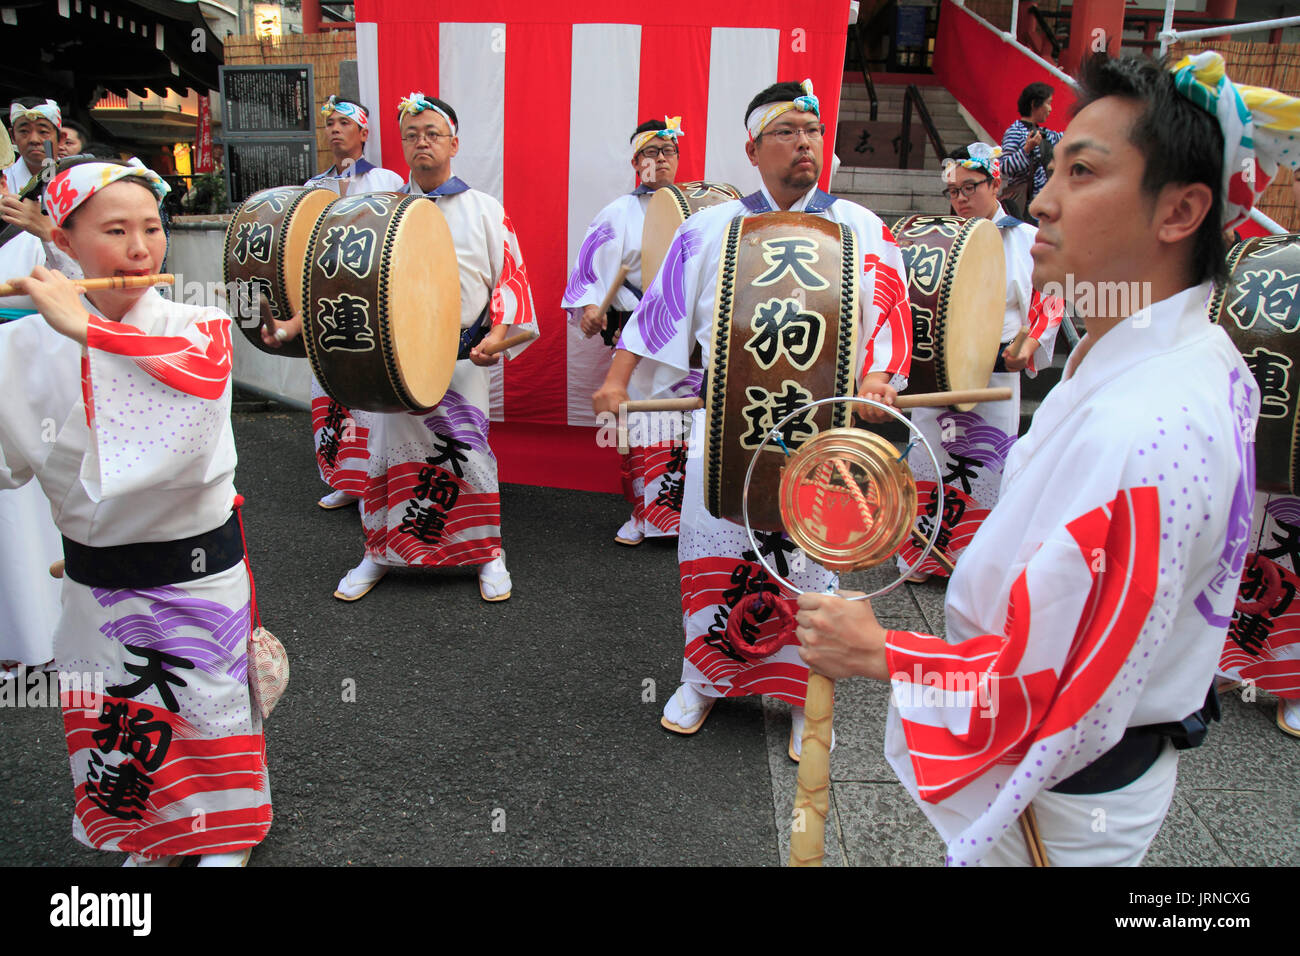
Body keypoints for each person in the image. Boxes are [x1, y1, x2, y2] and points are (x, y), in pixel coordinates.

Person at [795, 51, 1283, 866]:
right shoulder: (1174, 356)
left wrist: (882, 652)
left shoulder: (1148, 423)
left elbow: (1055, 687)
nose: (1043, 200)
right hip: (1105, 762)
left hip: (1067, 791)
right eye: (1051, 168)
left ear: (1180, 211)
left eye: (1084, 173)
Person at [595, 80, 911, 756]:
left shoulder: (858, 227)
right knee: (711, 549)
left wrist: (879, 375)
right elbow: (661, 313)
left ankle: (804, 697)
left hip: (820, 430)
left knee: (810, 570)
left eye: (812, 131)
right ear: (753, 146)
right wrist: (618, 381)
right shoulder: (711, 227)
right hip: (728, 424)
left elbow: (888, 312)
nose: (804, 143)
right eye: (788, 131)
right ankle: (705, 680)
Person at [2, 157, 272, 865]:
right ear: (62, 241)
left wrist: (84, 331)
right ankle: (148, 831)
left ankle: (225, 836)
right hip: (97, 576)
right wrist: (45, 329)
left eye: (152, 228)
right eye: (114, 230)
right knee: (119, 712)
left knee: (207, 706)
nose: (139, 249)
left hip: (193, 569)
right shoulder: (18, 343)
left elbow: (199, 374)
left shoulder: (197, 325)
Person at [267, 92, 538, 603]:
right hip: (393, 365)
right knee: (388, 456)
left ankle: (486, 553)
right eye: (411, 136)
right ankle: (379, 551)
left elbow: (512, 284)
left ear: (454, 143)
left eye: (432, 134)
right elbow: (340, 279)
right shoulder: (384, 211)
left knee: (467, 457)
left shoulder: (484, 209)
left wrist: (497, 340)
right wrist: (290, 328)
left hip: (461, 360)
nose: (422, 144)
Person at [896, 143, 1064, 582]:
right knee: (929, 461)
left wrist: (1027, 346)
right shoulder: (941, 241)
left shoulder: (1025, 238)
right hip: (940, 369)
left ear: (996, 183)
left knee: (983, 467)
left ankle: (971, 564)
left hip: (994, 370)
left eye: (970, 188)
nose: (961, 200)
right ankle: (920, 558)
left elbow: (1051, 296)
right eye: (953, 192)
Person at [563, 116, 695, 545]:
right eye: (651, 152)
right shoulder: (617, 213)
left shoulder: (696, 211)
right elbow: (587, 272)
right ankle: (645, 516)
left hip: (689, 338)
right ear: (636, 161)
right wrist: (588, 308)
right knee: (643, 424)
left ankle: (691, 517)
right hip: (638, 338)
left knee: (689, 426)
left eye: (668, 151)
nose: (661, 159)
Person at [305, 96, 405, 511]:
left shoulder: (387, 180)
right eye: (330, 123)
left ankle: (375, 481)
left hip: (370, 306)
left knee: (369, 394)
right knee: (332, 393)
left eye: (344, 123)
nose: (334, 129)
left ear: (364, 133)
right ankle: (345, 479)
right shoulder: (313, 188)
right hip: (326, 304)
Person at [999, 82, 1061, 221]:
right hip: (1025, 204)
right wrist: (1027, 150)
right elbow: (1004, 167)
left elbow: (1065, 137)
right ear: (1034, 104)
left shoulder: (1045, 134)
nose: (1050, 109)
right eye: (1048, 103)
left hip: (1044, 204)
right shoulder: (1015, 131)